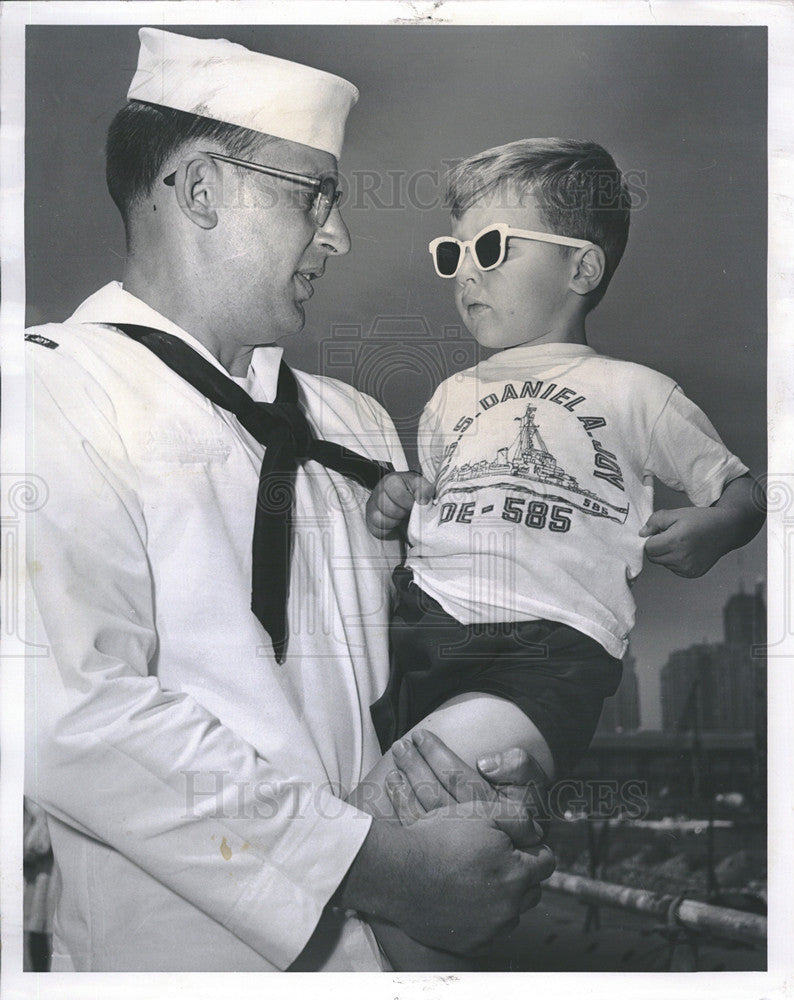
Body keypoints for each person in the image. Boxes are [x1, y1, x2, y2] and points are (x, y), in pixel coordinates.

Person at [24, 31, 555, 973]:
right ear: (200, 191)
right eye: (314, 196)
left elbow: (398, 686)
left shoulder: (356, 426)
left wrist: (486, 761)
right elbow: (71, 717)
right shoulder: (44, 390)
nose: (340, 235)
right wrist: (380, 867)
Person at [355, 137, 766, 969]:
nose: (465, 273)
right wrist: (396, 502)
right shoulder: (447, 397)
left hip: (543, 652)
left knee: (389, 819)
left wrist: (716, 528)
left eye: (492, 249)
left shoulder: (637, 391)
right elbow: (434, 500)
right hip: (420, 627)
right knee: (409, 851)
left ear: (582, 269)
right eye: (452, 254)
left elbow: (744, 490)